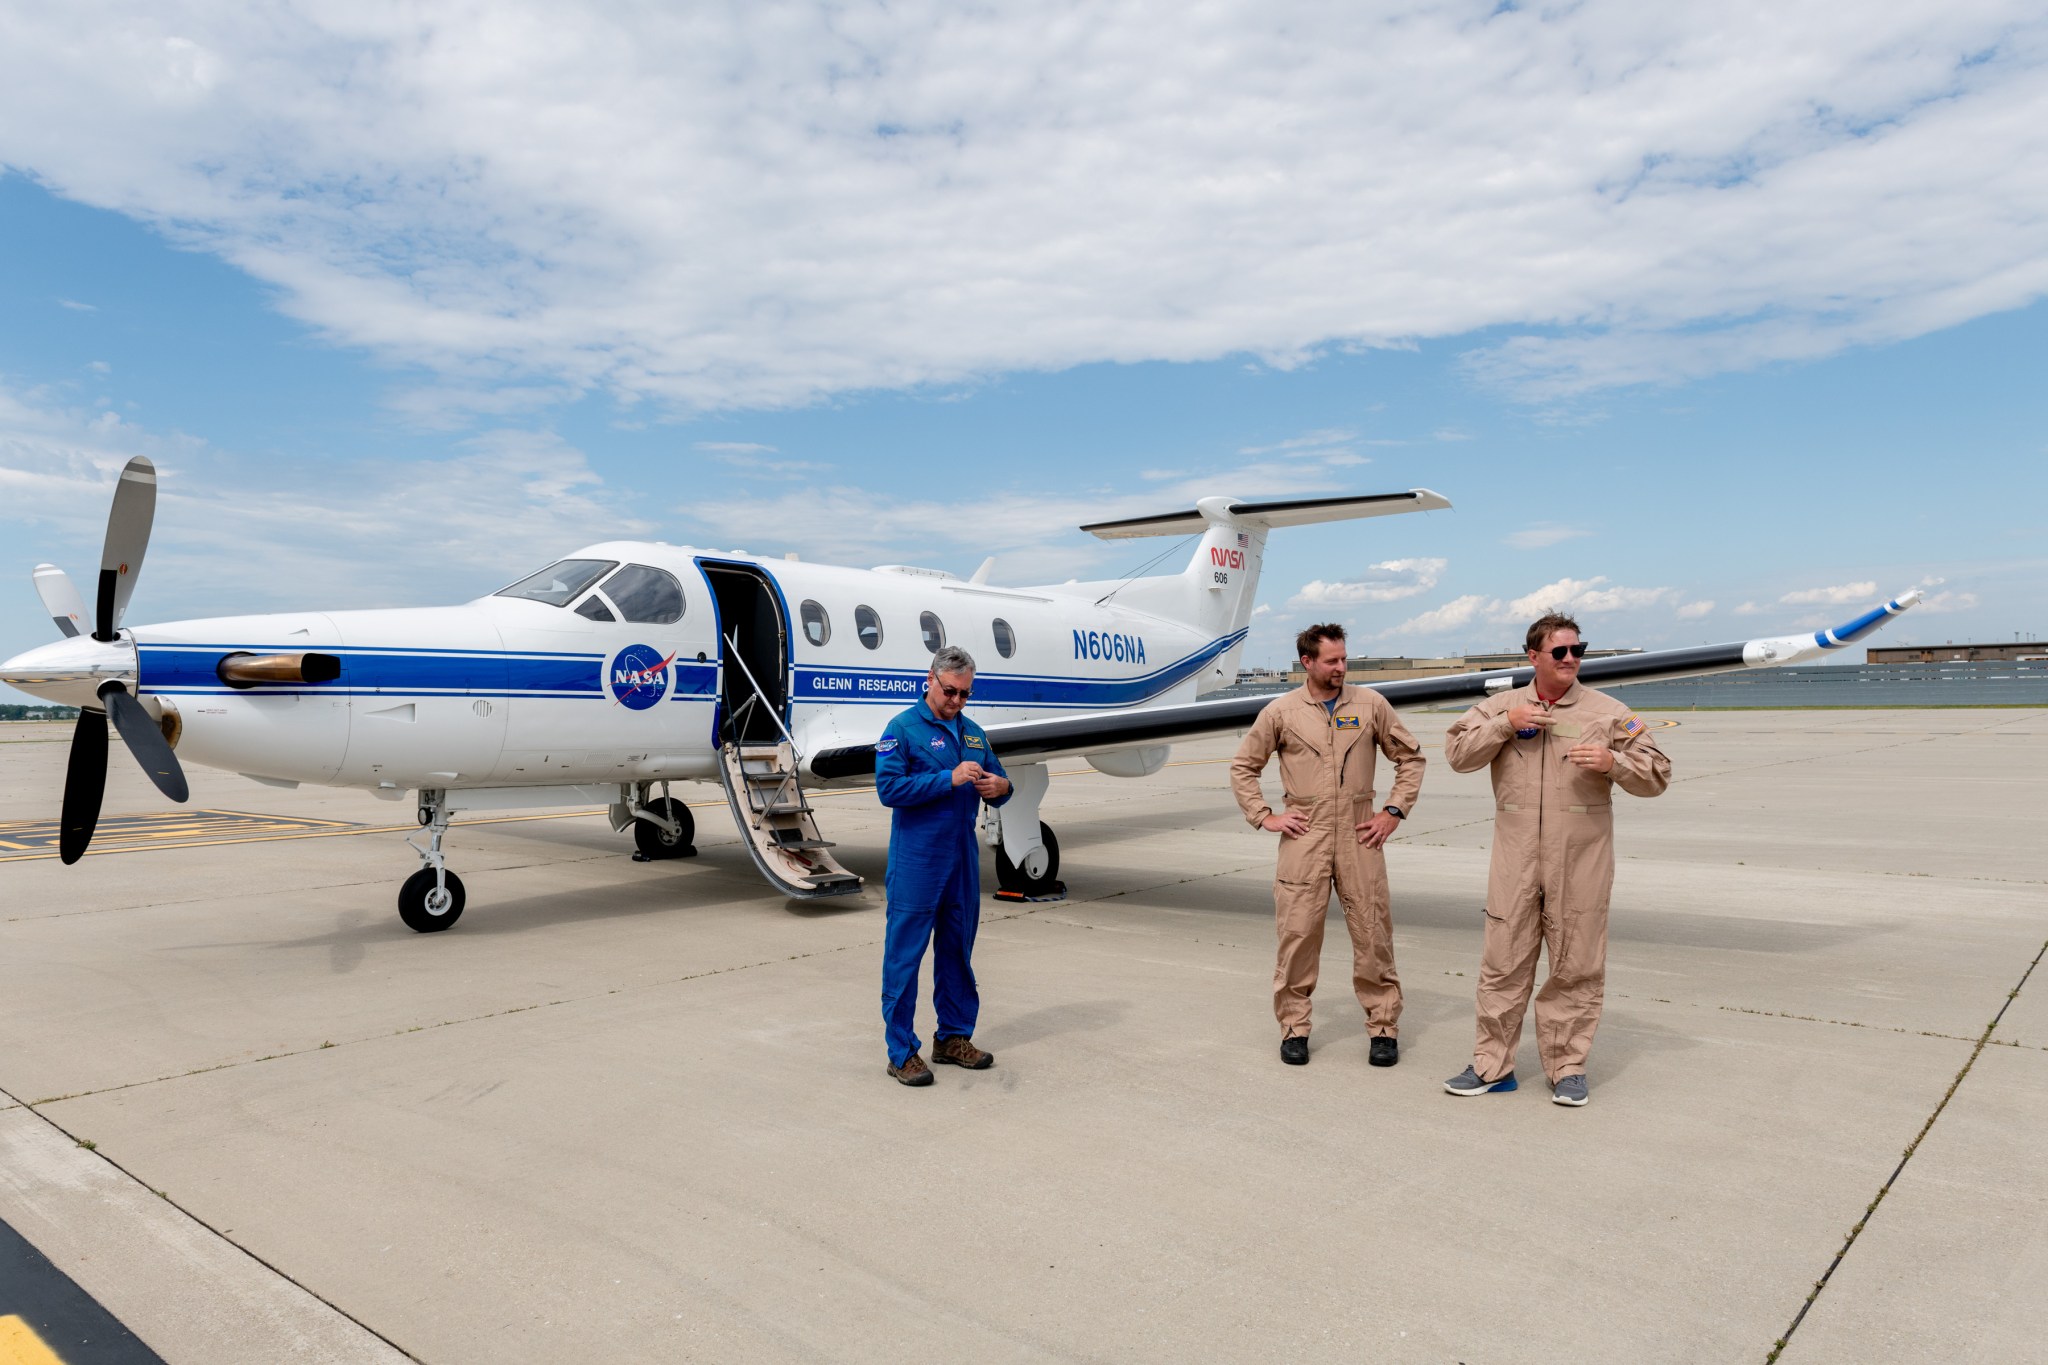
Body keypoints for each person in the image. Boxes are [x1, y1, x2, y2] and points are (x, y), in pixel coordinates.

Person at [1441, 612, 1671, 1107]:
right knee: (1502, 964)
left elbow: (1657, 773)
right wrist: (1506, 725)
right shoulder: (1501, 706)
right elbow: (1458, 753)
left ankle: (1567, 1067)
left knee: (1576, 966)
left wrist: (1615, 763)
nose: (1571, 659)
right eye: (1560, 651)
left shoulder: (1607, 711)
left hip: (1580, 860)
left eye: (1578, 650)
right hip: (1516, 859)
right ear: (1533, 657)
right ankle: (1491, 1066)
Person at [1230, 623, 1425, 1067]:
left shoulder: (1371, 704)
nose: (1341, 667)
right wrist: (1265, 816)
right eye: (1332, 661)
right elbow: (1243, 766)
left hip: (1360, 832)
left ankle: (1383, 1028)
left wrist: (1392, 812)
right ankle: (1294, 1028)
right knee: (1297, 935)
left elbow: (1410, 758)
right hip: (1305, 835)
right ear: (1308, 663)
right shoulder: (1281, 712)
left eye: (1344, 659)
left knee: (1373, 934)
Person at [875, 644, 1012, 1086]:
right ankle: (902, 1052)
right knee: (905, 958)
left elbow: (1001, 780)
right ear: (930, 680)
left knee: (957, 952)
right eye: (950, 691)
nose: (956, 701)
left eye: (965, 694)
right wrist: (947, 778)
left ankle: (953, 1038)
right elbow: (889, 789)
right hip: (918, 859)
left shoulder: (973, 733)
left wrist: (1000, 785)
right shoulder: (902, 729)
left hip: (961, 860)